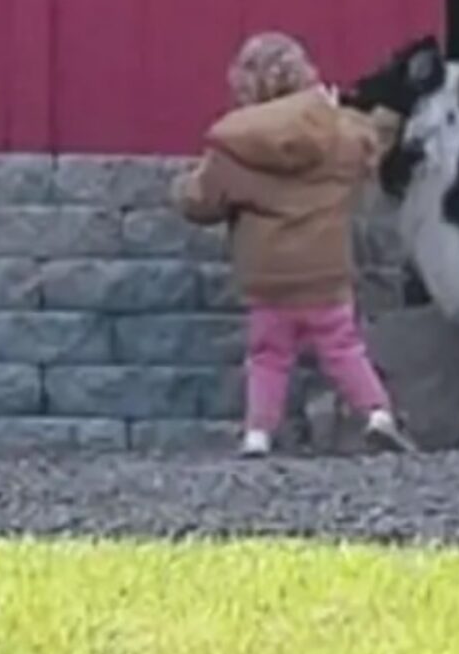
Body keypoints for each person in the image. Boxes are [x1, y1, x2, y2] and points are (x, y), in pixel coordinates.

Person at [171, 31, 410, 457]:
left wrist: (181, 187)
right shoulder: (343, 134)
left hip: (267, 276)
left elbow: (200, 203)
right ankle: (377, 414)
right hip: (326, 269)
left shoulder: (235, 144)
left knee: (268, 355)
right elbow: (373, 147)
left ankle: (258, 435)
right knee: (342, 347)